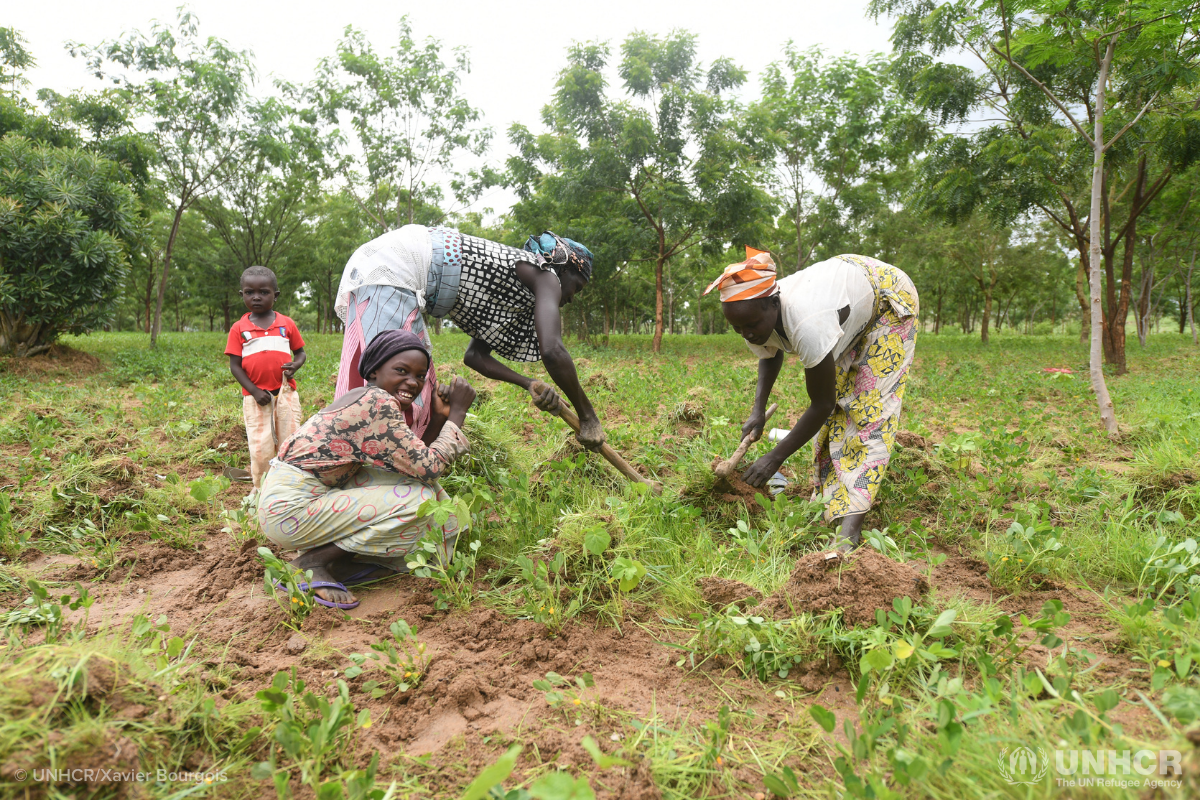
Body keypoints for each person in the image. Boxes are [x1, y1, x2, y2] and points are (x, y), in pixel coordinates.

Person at [706, 247, 919, 552]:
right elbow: (770, 351)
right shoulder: (753, 314)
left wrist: (774, 458)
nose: (746, 334)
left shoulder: (808, 323)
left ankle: (850, 530)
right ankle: (832, 501)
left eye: (750, 326)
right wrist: (758, 410)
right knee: (839, 414)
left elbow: (822, 404)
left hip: (887, 298)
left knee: (868, 413)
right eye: (737, 328)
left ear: (773, 304)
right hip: (848, 287)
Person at [258, 330, 477, 609]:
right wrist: (458, 413)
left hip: (294, 500)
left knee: (414, 485)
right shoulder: (377, 404)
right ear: (373, 371)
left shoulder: (367, 398)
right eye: (401, 370)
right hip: (290, 509)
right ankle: (312, 563)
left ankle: (341, 561)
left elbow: (416, 465)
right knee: (418, 501)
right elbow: (430, 467)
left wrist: (439, 418)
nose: (412, 382)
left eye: (421, 376)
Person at [334, 225, 605, 449]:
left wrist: (528, 382)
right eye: (577, 287)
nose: (570, 298)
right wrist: (588, 416)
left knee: (386, 386)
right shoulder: (546, 275)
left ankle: (376, 464)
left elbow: (475, 356)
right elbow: (553, 351)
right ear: (564, 270)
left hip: (381, 266)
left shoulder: (514, 293)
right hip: (394, 267)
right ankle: (391, 476)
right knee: (397, 392)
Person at [225, 266, 306, 489]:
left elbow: (300, 352)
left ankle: (288, 486)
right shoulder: (239, 328)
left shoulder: (286, 324)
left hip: (285, 393)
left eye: (264, 292)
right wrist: (254, 390)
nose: (256, 297)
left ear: (275, 295)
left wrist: (295, 365)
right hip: (256, 397)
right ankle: (262, 488)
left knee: (289, 439)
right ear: (242, 295)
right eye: (250, 292)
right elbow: (235, 366)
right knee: (260, 444)